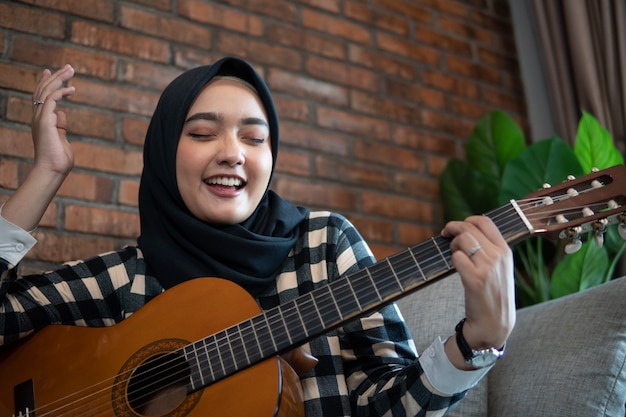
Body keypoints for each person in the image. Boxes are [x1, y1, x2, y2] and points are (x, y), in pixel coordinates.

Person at [0, 57, 515, 416]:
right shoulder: (126, 278)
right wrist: (46, 172)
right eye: (202, 133)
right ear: (163, 153)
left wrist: (475, 344)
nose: (233, 153)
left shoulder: (326, 245)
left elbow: (388, 404)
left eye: (255, 136)